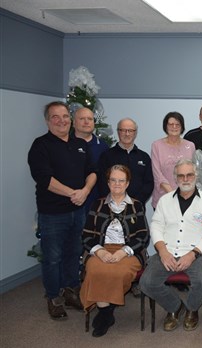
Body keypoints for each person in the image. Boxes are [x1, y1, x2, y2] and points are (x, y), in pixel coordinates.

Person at [28, 101, 97, 320]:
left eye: (65, 116)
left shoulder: (80, 144)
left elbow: (92, 171)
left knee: (73, 253)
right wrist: (73, 193)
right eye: (56, 117)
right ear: (48, 121)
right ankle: (53, 297)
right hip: (52, 213)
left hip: (78, 212)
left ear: (70, 118)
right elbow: (44, 178)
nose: (62, 120)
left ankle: (71, 291)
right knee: (52, 257)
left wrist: (85, 190)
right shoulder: (41, 145)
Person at [139, 159, 202, 332]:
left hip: (197, 254)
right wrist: (162, 251)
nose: (186, 179)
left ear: (196, 176)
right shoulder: (165, 201)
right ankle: (175, 307)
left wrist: (192, 254)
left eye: (189, 175)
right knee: (146, 282)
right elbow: (156, 226)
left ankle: (191, 308)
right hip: (167, 251)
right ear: (175, 178)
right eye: (181, 175)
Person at [81, 165, 149, 337]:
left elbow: (143, 236)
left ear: (127, 183)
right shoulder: (97, 204)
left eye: (121, 180)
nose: (117, 184)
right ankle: (107, 312)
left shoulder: (136, 206)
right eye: (113, 180)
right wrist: (99, 251)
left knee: (119, 272)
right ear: (108, 182)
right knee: (96, 270)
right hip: (101, 249)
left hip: (128, 252)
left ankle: (105, 312)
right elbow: (86, 235)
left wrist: (123, 252)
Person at [97, 118, 154, 205]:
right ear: (118, 132)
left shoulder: (144, 157)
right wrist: (116, 202)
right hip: (112, 207)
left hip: (137, 207)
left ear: (135, 133)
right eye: (123, 130)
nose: (127, 134)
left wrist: (135, 202)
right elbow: (102, 182)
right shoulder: (106, 156)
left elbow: (148, 183)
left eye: (130, 130)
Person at [150, 112, 195, 209]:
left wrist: (183, 195)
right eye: (170, 124)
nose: (174, 127)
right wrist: (174, 194)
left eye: (177, 124)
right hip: (163, 199)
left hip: (186, 198)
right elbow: (157, 174)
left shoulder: (190, 146)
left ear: (182, 126)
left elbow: (193, 172)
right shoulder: (157, 145)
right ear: (165, 126)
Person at [73, 107, 109, 215]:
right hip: (71, 201)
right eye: (82, 118)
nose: (86, 122)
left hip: (97, 204)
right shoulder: (65, 144)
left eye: (90, 119)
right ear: (74, 123)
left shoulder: (103, 147)